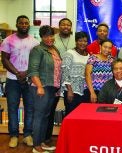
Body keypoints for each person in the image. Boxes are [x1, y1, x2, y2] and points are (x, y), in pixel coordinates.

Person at [0, 15, 39, 148]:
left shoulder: (35, 42)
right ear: (17, 24)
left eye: (26, 23)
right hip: (12, 80)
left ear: (29, 25)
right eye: (21, 23)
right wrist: (17, 73)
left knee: (30, 108)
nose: (24, 25)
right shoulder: (8, 40)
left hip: (29, 80)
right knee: (12, 108)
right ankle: (14, 136)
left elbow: (36, 62)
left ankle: (27, 135)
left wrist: (26, 73)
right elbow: (4, 59)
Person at [28, 25, 61, 153]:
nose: (49, 38)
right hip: (42, 87)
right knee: (39, 116)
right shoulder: (37, 50)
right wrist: (40, 86)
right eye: (46, 36)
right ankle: (36, 145)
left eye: (51, 35)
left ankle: (41, 142)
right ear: (41, 37)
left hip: (52, 88)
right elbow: (33, 70)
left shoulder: (54, 49)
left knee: (46, 116)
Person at [45, 17, 76, 143]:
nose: (66, 27)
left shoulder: (75, 39)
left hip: (70, 79)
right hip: (55, 78)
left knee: (71, 109)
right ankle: (46, 137)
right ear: (59, 26)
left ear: (71, 26)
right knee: (50, 108)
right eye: (63, 24)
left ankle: (70, 137)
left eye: (68, 25)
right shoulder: (53, 39)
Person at [61, 32, 89, 116]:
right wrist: (69, 90)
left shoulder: (88, 56)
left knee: (81, 117)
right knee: (70, 115)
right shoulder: (69, 53)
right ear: (76, 42)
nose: (83, 43)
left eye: (85, 41)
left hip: (84, 92)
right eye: (80, 41)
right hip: (71, 92)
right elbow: (65, 72)